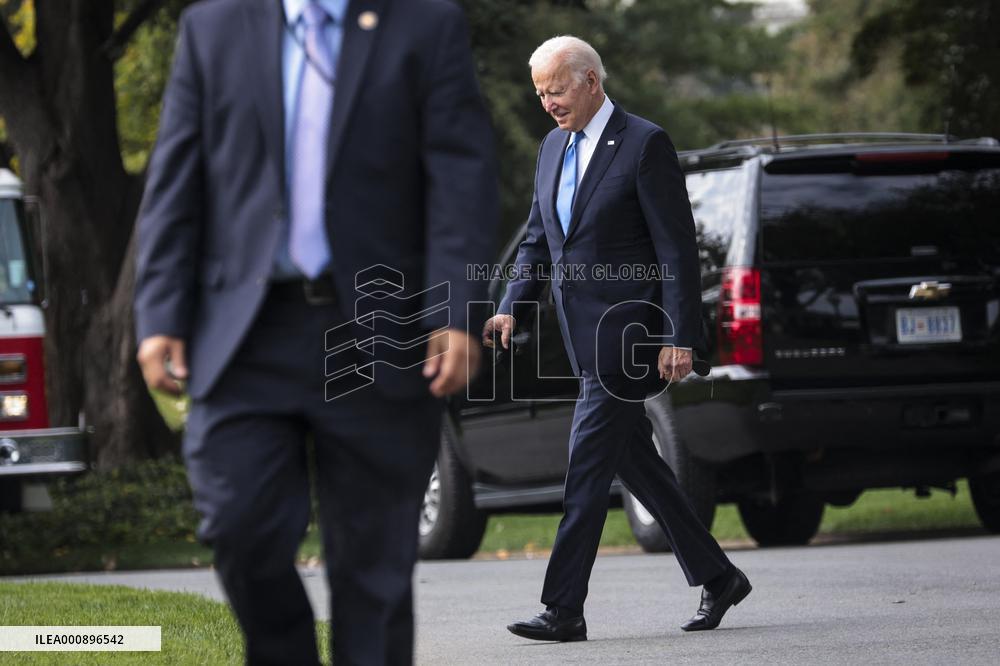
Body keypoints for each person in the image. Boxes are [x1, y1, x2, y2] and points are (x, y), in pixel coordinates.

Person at [134, 0, 498, 664]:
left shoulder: (424, 25)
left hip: (379, 331)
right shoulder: (212, 28)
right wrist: (160, 313)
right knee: (239, 526)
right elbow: (175, 179)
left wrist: (457, 310)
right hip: (244, 332)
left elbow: (461, 180)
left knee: (373, 570)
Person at [482, 36, 750, 642]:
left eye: (555, 89)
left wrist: (680, 334)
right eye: (540, 93)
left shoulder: (644, 143)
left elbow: (675, 248)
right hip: (582, 341)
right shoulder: (552, 147)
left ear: (591, 82)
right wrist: (510, 307)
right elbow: (537, 240)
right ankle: (719, 575)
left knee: (584, 466)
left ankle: (563, 608)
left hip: (629, 340)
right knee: (638, 463)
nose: (547, 102)